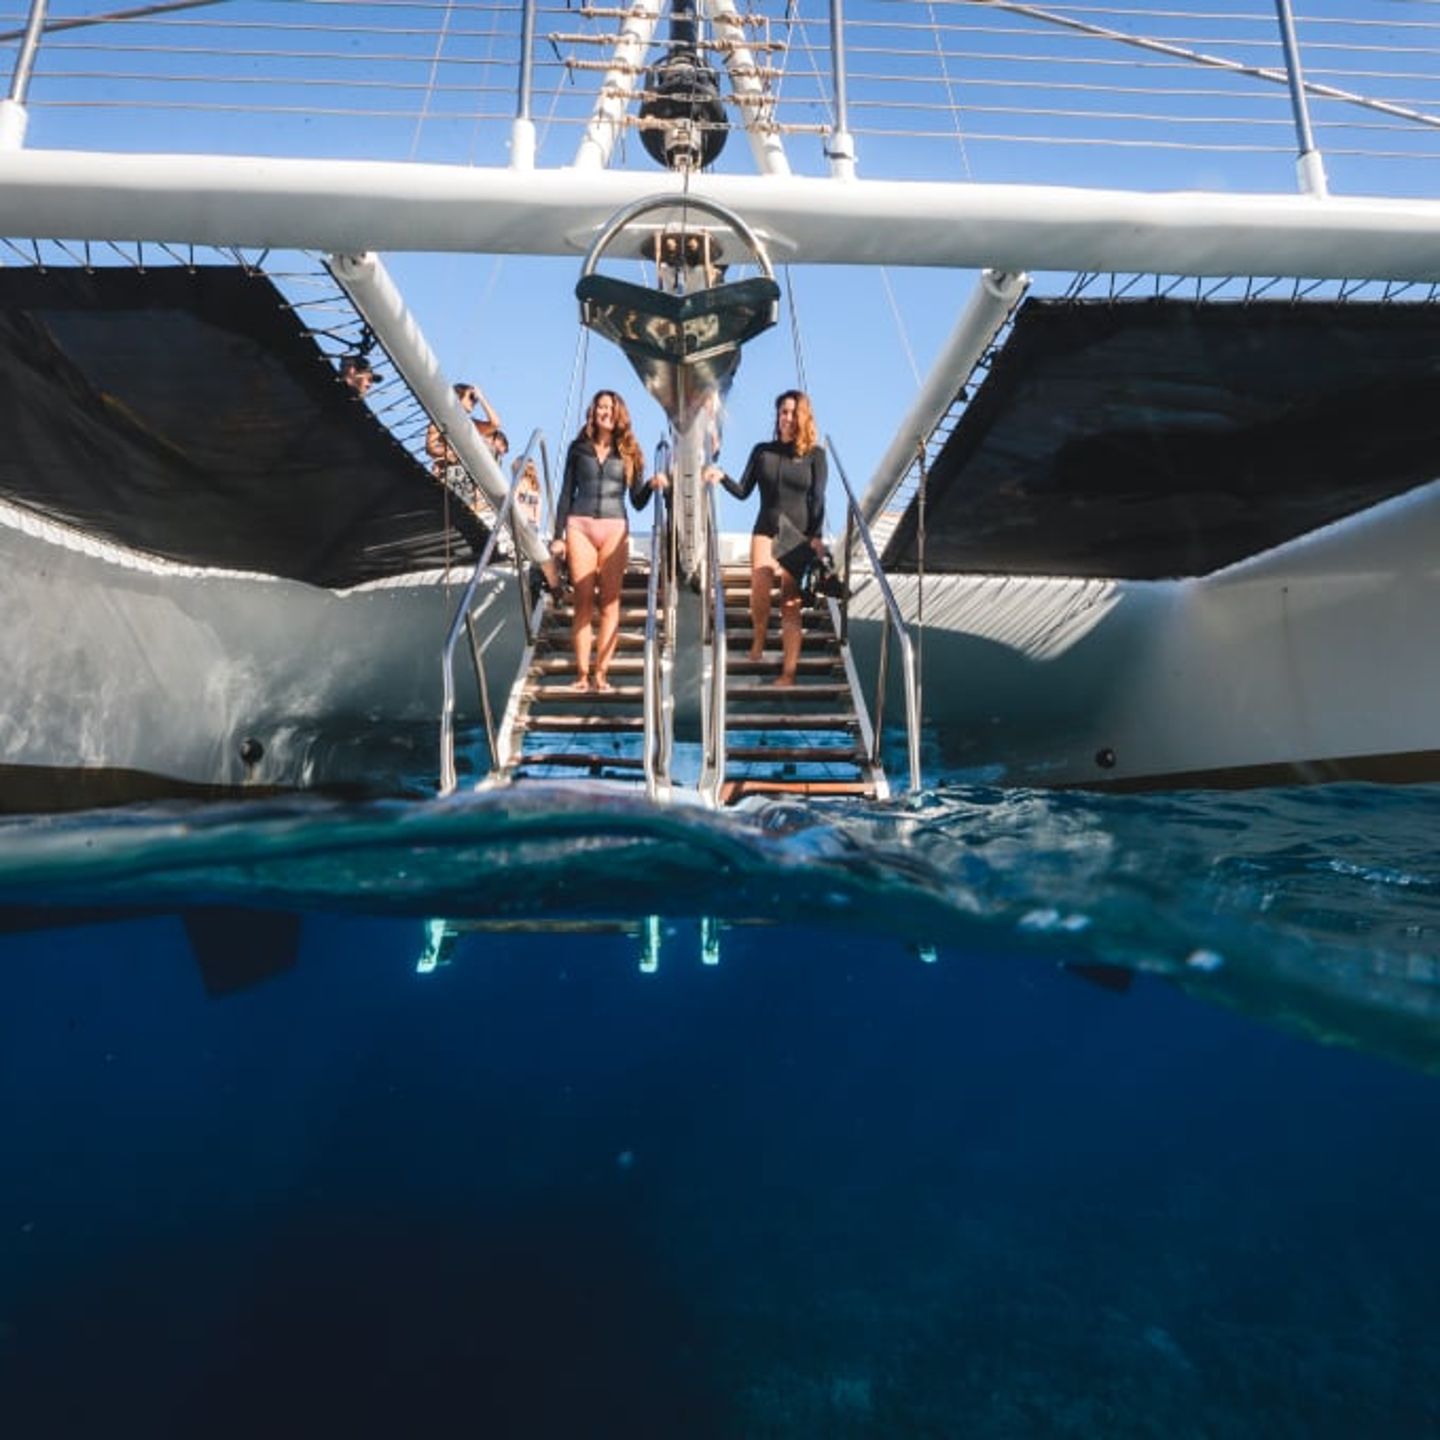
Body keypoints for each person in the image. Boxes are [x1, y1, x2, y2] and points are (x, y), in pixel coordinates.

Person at [705, 389, 827, 687]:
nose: (786, 417)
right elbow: (745, 491)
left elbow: (818, 498)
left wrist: (816, 537)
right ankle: (759, 636)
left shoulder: (815, 455)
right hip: (765, 528)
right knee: (760, 586)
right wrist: (722, 477)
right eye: (782, 412)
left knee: (790, 602)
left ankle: (788, 673)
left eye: (791, 412)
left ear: (803, 416)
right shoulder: (762, 451)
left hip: (798, 535)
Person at [551, 390, 665, 693]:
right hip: (579, 525)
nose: (605, 412)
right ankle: (581, 675)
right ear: (594, 411)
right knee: (584, 602)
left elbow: (638, 501)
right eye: (601, 407)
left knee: (610, 604)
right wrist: (556, 537)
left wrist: (653, 484)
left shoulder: (629, 451)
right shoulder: (578, 449)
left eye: (611, 408)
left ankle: (601, 674)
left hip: (615, 528)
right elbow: (566, 494)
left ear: (619, 414)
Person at [426, 381, 502, 479]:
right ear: (457, 397)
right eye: (470, 397)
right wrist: (452, 454)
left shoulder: (470, 424)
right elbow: (430, 447)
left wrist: (482, 398)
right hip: (446, 476)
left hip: (465, 479)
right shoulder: (440, 418)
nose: (474, 402)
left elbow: (495, 424)